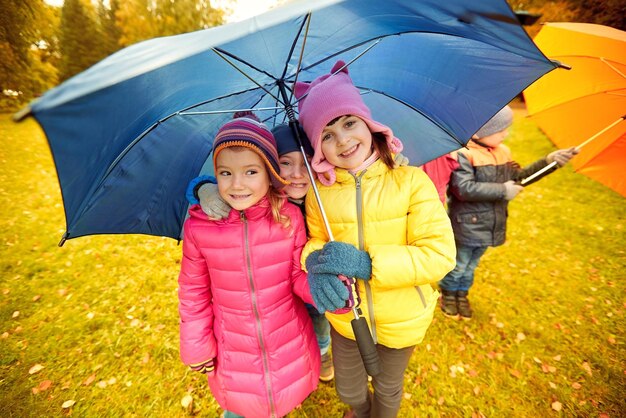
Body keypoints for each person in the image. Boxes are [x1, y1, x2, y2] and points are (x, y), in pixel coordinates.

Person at [294, 60, 456, 418]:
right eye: (327, 135)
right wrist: (316, 265)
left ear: (368, 124)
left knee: (387, 386)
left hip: (403, 315)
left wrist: (367, 264)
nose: (343, 140)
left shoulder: (410, 181)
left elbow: (439, 254)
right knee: (349, 388)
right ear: (318, 147)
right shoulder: (319, 194)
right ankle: (360, 410)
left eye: (348, 123)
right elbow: (315, 241)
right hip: (346, 316)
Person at [177, 114, 320, 418]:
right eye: (226, 173)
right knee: (241, 407)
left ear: (270, 175)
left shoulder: (288, 219)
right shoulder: (199, 228)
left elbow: (297, 274)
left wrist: (322, 290)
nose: (237, 184)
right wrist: (195, 344)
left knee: (280, 398)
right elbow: (193, 293)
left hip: (286, 339)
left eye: (251, 171)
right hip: (233, 348)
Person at [440, 105, 578, 320]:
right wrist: (503, 190)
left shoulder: (503, 152)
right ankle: (448, 295)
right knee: (459, 265)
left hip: (491, 223)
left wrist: (549, 162)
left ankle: (462, 294)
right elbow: (463, 189)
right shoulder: (463, 155)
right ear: (478, 133)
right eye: (501, 130)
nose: (506, 133)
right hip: (467, 223)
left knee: (471, 265)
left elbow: (520, 178)